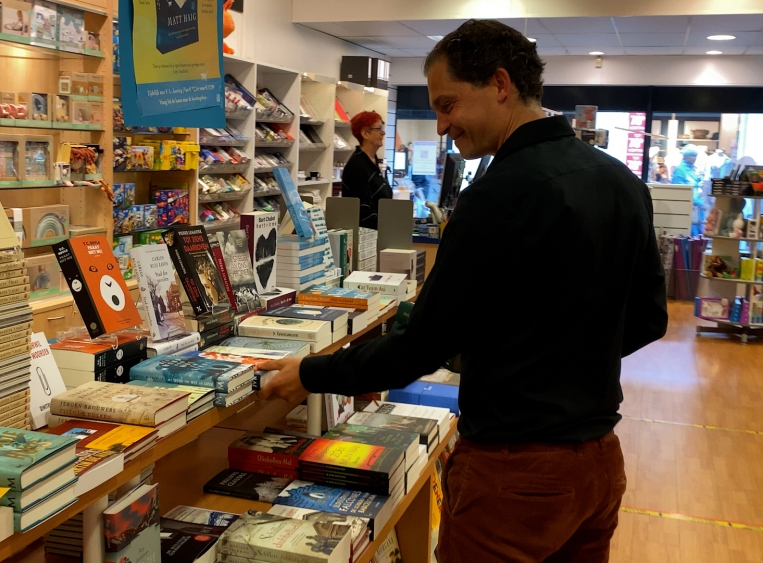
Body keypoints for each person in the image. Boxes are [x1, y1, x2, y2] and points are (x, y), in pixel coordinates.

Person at [258, 19, 668, 563]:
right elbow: (648, 320)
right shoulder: (622, 182)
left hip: (512, 471)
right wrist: (565, 357)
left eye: (448, 104)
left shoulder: (497, 194)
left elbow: (419, 347)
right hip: (598, 466)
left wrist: (311, 374)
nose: (443, 124)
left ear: (500, 84)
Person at [342, 111, 392, 229]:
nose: (383, 133)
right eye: (378, 129)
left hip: (380, 231)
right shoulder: (357, 166)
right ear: (365, 133)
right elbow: (363, 211)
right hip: (366, 236)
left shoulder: (373, 161)